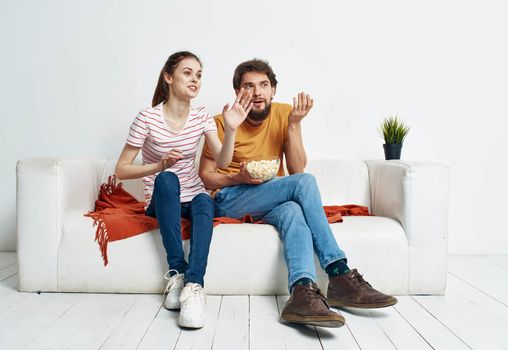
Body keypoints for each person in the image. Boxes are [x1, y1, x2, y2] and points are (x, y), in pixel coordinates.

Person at [199, 59, 398, 328]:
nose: (257, 92)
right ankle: (338, 272)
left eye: (263, 85)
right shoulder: (223, 122)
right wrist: (237, 177)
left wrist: (294, 125)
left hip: (271, 198)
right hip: (231, 198)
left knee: (293, 211)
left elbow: (295, 167)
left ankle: (302, 292)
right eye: (248, 86)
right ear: (237, 92)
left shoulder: (284, 114)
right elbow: (207, 176)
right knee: (304, 183)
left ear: (273, 90)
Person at [115, 51, 252, 329]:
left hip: (193, 198)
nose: (195, 79)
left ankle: (193, 285)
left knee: (204, 198)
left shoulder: (201, 116)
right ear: (168, 77)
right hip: (162, 199)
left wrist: (231, 129)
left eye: (199, 75)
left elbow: (223, 162)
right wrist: (158, 165)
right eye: (187, 73)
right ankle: (176, 270)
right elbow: (121, 169)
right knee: (168, 179)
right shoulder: (147, 118)